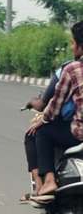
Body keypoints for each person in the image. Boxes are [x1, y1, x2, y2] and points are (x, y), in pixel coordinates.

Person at [24, 20, 83, 202]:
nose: (72, 47)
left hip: (78, 133)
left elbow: (54, 105)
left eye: (73, 43)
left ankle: (48, 181)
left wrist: (43, 120)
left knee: (41, 131)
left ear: (81, 46)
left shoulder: (72, 69)